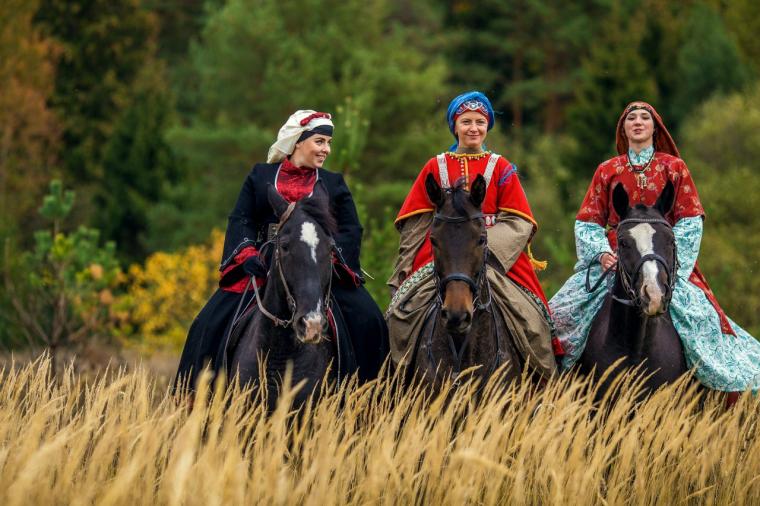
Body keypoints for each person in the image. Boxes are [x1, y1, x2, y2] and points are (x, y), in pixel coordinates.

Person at [550, 101, 760, 395]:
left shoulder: (674, 168)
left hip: (664, 260)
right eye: (631, 118)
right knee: (558, 316)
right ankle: (551, 390)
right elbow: (587, 221)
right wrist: (601, 254)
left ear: (655, 127)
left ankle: (715, 394)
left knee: (704, 326)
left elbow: (689, 220)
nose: (638, 122)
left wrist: (672, 267)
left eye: (644, 117)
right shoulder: (607, 170)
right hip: (616, 258)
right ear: (623, 129)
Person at [175, 110, 389, 390]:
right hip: (266, 263)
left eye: (328, 143)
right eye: (320, 141)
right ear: (298, 141)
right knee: (208, 321)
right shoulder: (260, 176)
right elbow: (242, 219)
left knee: (369, 318)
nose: (326, 149)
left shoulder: (333, 183)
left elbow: (351, 229)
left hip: (319, 263)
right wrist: (246, 254)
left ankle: (372, 399)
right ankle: (193, 397)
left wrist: (330, 257)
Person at [386, 91, 563, 377]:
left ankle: (543, 385)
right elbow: (416, 221)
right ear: (454, 126)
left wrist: (483, 248)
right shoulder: (435, 166)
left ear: (487, 126)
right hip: (442, 250)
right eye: (466, 121)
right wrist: (404, 266)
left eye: (480, 122)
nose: (473, 128)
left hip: (494, 253)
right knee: (401, 313)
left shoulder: (501, 168)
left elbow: (519, 221)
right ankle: (395, 379)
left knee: (532, 319)